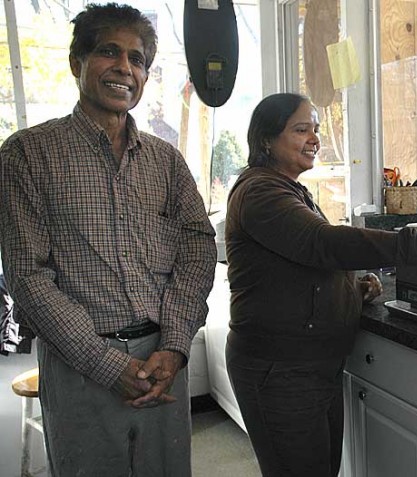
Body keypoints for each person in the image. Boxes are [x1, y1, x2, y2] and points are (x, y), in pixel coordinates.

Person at [224, 92, 417, 477]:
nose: (314, 138)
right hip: (280, 370)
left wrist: (352, 288)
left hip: (308, 366)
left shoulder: (288, 188)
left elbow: (302, 264)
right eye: (301, 129)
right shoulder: (261, 192)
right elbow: (322, 243)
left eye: (315, 129)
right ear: (266, 139)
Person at [0, 4, 216, 476]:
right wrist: (104, 366)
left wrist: (177, 345)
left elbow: (198, 247)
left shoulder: (166, 161)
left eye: (138, 60)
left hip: (162, 359)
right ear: (77, 63)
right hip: (79, 364)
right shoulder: (28, 155)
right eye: (108, 52)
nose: (125, 68)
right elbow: (27, 276)